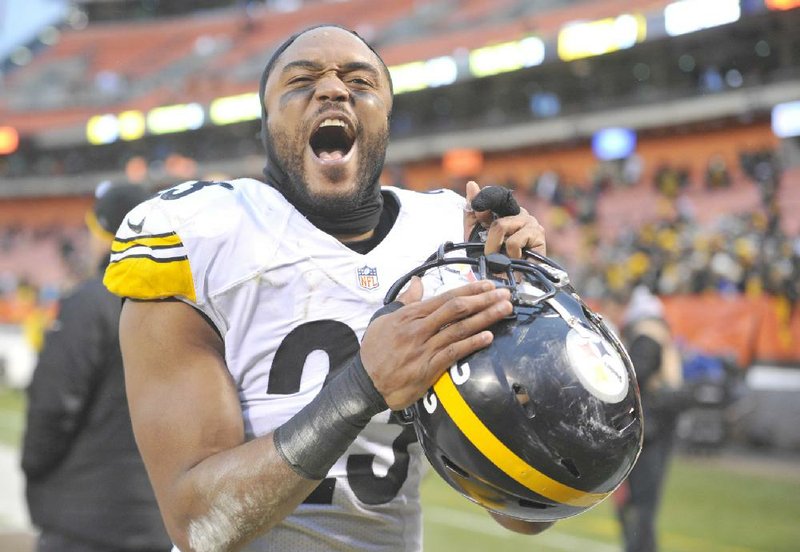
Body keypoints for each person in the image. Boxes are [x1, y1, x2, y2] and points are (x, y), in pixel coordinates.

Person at [102, 25, 550, 551]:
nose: (334, 89)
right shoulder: (197, 236)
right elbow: (199, 522)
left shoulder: (450, 240)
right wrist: (362, 387)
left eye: (359, 81)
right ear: (266, 124)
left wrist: (529, 320)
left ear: (385, 117)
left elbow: (527, 512)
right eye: (302, 80)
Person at [21, 182, 172, 552]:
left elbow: (52, 408)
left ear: (104, 234)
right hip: (162, 520)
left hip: (87, 524)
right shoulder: (184, 307)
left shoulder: (89, 304)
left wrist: (34, 467)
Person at [614, 286, 690, 552]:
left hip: (649, 432)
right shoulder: (664, 341)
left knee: (637, 505)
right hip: (657, 430)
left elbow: (633, 379)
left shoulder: (646, 337)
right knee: (641, 504)